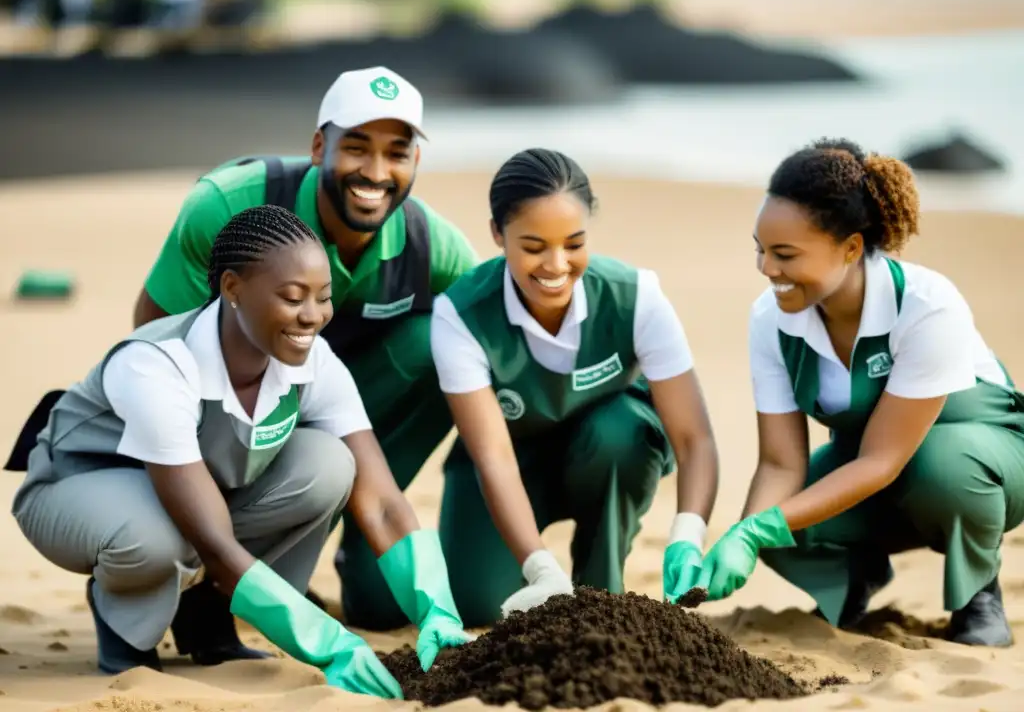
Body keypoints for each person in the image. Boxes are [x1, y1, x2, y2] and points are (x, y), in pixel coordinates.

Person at [11, 205, 472, 691]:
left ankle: (207, 613)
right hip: (74, 489)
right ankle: (124, 626)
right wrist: (326, 642)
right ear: (232, 289)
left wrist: (434, 605)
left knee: (331, 465)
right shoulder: (159, 364)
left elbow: (378, 498)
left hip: (191, 491)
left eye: (324, 297)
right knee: (156, 537)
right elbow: (211, 539)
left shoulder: (312, 359)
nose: (312, 317)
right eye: (293, 297)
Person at [131, 65, 478, 631]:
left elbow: (505, 336)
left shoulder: (432, 244)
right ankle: (207, 570)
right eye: (357, 147)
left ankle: (358, 541)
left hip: (345, 418)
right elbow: (152, 340)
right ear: (319, 146)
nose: (375, 171)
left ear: (416, 162)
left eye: (398, 152)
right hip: (226, 410)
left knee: (443, 342)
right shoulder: (226, 209)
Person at [695, 138, 1024, 648]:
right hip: (878, 463)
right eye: (761, 250)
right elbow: (781, 464)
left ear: (850, 248)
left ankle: (977, 594)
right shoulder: (772, 319)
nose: (766, 269)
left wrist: (760, 527)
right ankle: (853, 580)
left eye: (785, 255)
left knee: (942, 465)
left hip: (982, 456)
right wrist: (747, 534)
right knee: (780, 523)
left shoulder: (926, 304)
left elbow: (882, 461)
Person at [429, 148, 722, 627]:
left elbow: (694, 438)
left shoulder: (637, 296)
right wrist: (539, 567)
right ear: (497, 235)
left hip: (605, 451)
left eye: (574, 242)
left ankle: (600, 586)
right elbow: (494, 458)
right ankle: (547, 572)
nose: (556, 264)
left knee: (621, 434)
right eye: (533, 246)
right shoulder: (460, 315)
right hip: (511, 461)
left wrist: (688, 534)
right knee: (480, 605)